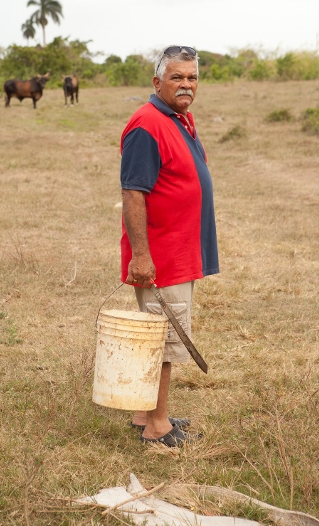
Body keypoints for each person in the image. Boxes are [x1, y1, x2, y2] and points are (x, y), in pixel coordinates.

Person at [120, 45, 219, 447]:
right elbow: (133, 192)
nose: (186, 84)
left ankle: (145, 412)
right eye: (177, 77)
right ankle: (157, 427)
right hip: (161, 256)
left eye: (192, 77)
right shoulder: (147, 124)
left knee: (157, 334)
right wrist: (142, 256)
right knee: (164, 339)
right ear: (156, 81)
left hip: (177, 250)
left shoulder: (177, 119)